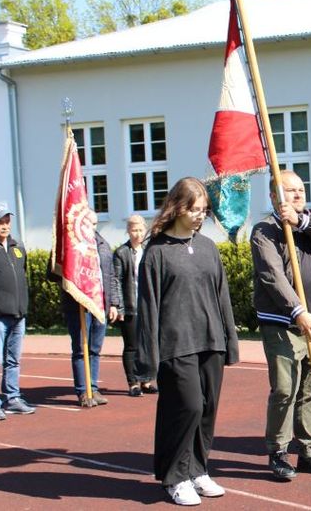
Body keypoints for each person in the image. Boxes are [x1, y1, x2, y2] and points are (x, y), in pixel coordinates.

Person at [137, 177, 239, 506]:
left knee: (207, 409)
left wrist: (230, 340)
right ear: (178, 207)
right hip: (175, 343)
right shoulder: (156, 252)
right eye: (194, 209)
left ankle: (197, 469)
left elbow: (222, 296)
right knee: (187, 407)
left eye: (204, 210)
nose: (199, 215)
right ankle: (175, 476)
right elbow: (148, 307)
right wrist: (147, 360)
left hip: (211, 340)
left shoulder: (208, 248)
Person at [251, 170, 311, 480]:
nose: (297, 196)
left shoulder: (310, 222)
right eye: (289, 191)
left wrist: (302, 221)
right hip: (284, 325)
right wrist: (297, 310)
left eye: (300, 190)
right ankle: (278, 452)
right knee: (284, 389)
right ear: (274, 197)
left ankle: (309, 451)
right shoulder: (264, 230)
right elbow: (272, 275)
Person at [0, 203, 36, 421]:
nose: (4, 225)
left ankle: (13, 397)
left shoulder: (17, 245)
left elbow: (22, 273)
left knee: (14, 360)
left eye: (7, 221)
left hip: (18, 314)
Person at [61, 210, 121, 408]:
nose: (92, 227)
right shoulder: (71, 245)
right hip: (79, 305)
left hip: (100, 304)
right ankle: (82, 391)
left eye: (95, 224)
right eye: (88, 224)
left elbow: (111, 276)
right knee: (81, 348)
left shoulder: (102, 244)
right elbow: (54, 273)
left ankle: (93, 387)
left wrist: (113, 303)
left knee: (95, 349)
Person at [113, 215, 156, 397]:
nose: (137, 234)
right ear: (128, 231)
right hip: (131, 306)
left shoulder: (150, 250)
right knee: (132, 346)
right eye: (134, 230)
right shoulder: (122, 253)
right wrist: (119, 306)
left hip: (148, 306)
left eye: (140, 230)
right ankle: (133, 383)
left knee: (148, 345)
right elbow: (116, 280)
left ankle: (146, 380)